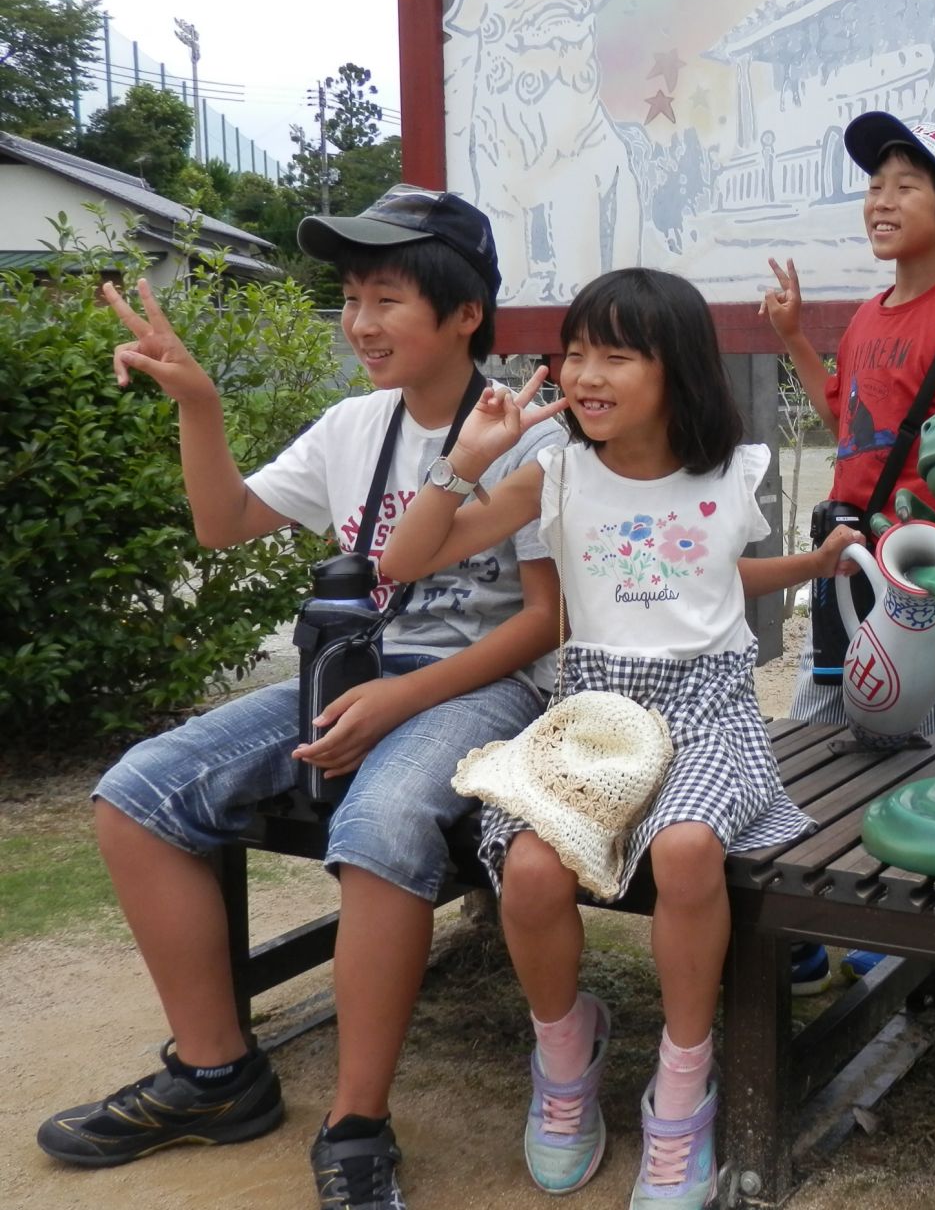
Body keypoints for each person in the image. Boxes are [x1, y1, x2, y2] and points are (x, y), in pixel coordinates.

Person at [36, 186, 564, 1210]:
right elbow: (224, 522)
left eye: (388, 298)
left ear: (466, 313)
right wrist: (200, 403)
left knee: (378, 825)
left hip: (485, 686)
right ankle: (217, 1074)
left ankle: (356, 1122)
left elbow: (543, 623)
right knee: (138, 794)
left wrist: (401, 704)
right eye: (352, 297)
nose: (360, 321)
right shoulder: (353, 426)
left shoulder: (527, 433)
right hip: (354, 671)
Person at [380, 267, 862, 1206]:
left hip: (709, 709)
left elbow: (712, 581)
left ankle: (684, 1082)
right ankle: (565, 1056)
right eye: (574, 353)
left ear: (676, 368)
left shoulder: (732, 470)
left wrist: (813, 563)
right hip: (593, 716)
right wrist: (465, 462)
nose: (584, 375)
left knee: (686, 850)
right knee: (529, 869)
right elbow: (405, 559)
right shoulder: (555, 472)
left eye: (615, 355)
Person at [761, 111, 935, 988]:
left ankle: (912, 927)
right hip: (846, 554)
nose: (882, 200)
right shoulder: (869, 315)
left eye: (906, 186)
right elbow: (848, 422)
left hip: (920, 574)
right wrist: (795, 335)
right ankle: (802, 917)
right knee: (818, 722)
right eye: (875, 185)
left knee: (923, 742)